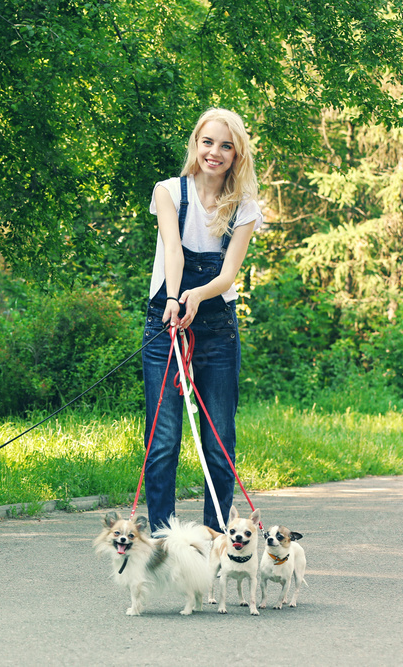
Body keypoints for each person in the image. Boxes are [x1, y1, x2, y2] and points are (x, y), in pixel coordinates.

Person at [141, 108, 263, 533]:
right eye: (208, 142)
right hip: (166, 320)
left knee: (219, 442)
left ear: (236, 155)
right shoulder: (168, 192)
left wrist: (197, 295)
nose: (215, 152)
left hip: (216, 327)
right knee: (163, 440)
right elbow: (173, 251)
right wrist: (176, 298)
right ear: (196, 143)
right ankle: (163, 542)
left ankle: (215, 542)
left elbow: (227, 276)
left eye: (226, 146)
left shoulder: (245, 207)